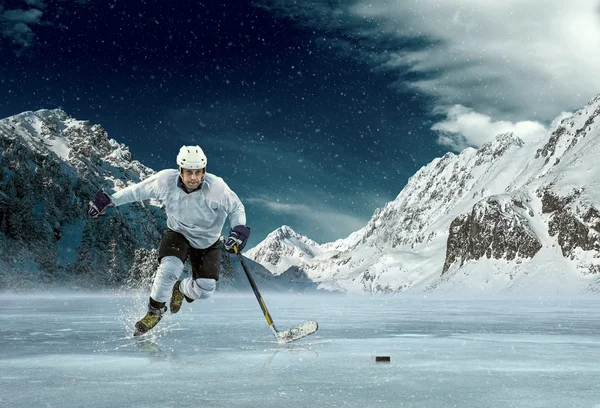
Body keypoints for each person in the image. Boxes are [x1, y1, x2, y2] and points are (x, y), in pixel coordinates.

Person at [87, 145, 250, 336]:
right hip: (178, 233)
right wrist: (109, 200)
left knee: (206, 289)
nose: (193, 177)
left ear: (204, 171)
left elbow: (236, 208)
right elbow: (136, 191)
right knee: (168, 269)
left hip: (208, 242)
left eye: (198, 172)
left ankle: (180, 288)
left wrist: (238, 230)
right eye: (188, 172)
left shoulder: (217, 188)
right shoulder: (165, 181)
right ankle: (154, 311)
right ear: (180, 170)